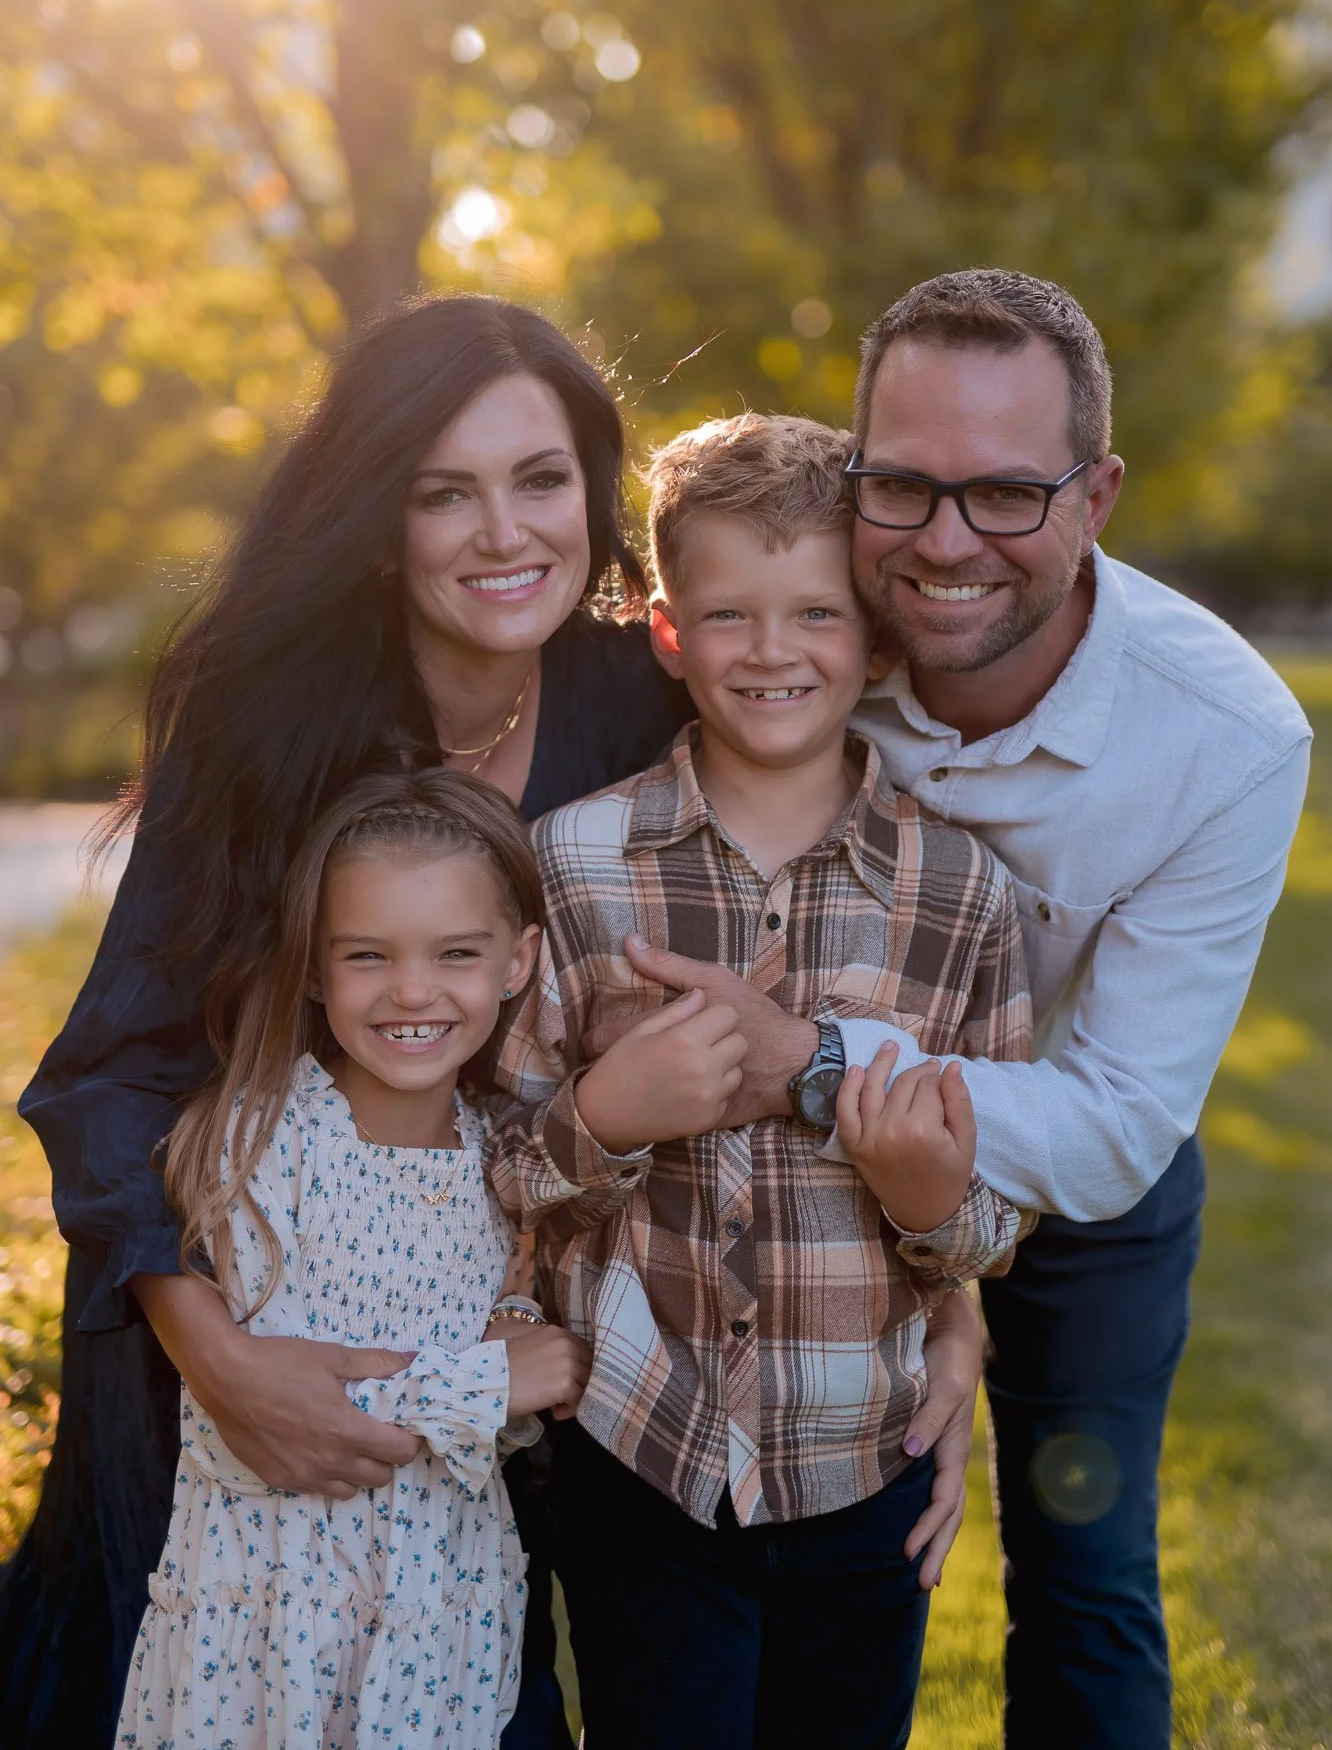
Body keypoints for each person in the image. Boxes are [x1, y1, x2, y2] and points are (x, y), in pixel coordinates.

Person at [5, 292, 979, 1749]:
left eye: (538, 480)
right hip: (256, 1310)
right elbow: (114, 1072)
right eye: (441, 490)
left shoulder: (642, 701)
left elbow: (843, 969)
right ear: (378, 513)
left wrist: (943, 1312)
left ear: (594, 497)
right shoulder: (263, 717)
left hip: (525, 1335)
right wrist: (222, 1358)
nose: (501, 532)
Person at [588, 272, 1313, 1750]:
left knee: (1088, 1565)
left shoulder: (1226, 740)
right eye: (904, 485)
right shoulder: (802, 629)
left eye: (1006, 495)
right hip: (772, 1202)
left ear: (1097, 494)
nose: (945, 543)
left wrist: (817, 1076)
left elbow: (1111, 1124)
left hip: (1076, 1146)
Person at [487, 415, 1033, 1750]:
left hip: (862, 1468)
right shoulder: (571, 865)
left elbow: (999, 1213)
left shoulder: (960, 895)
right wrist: (603, 1118)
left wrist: (927, 1202)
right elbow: (493, 1160)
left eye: (816, 615)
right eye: (729, 615)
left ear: (879, 636)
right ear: (667, 635)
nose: (773, 652)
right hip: (637, 1461)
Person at [117, 769, 591, 1749]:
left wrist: (504, 1368)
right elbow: (259, 1423)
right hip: (265, 1628)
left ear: (518, 960)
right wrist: (485, 1382)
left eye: (456, 952)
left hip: (441, 1625)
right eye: (367, 955)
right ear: (313, 969)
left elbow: (482, 1443)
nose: (412, 989)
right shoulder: (262, 1141)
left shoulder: (500, 1166)